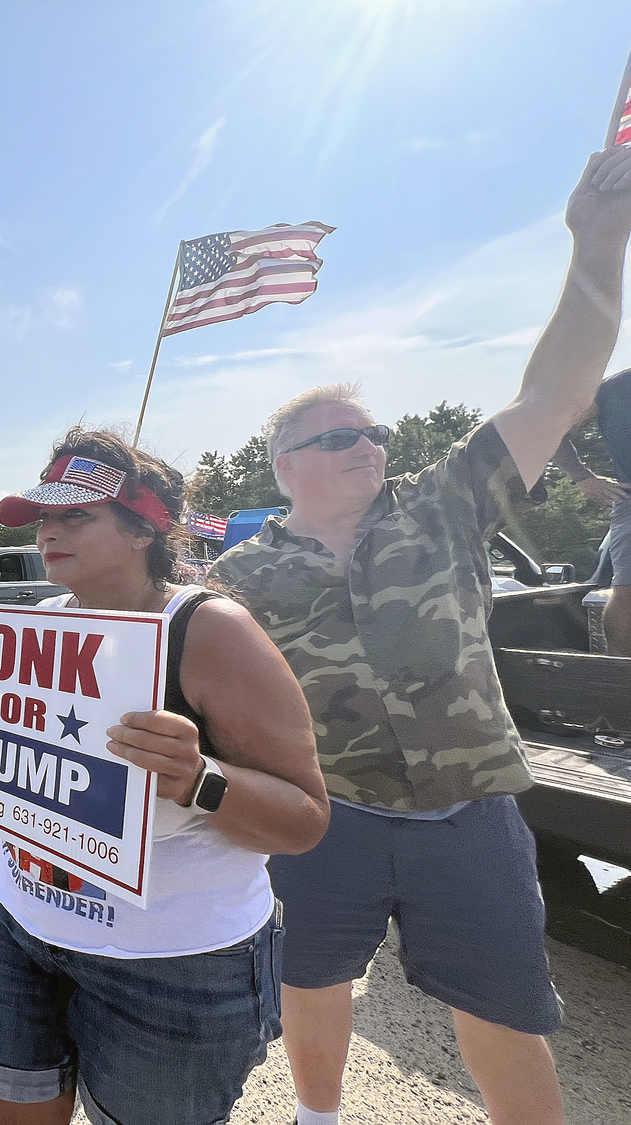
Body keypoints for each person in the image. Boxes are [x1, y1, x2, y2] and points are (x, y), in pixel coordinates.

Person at [207, 146, 631, 1125]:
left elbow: (554, 394)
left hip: (469, 811)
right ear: (284, 467)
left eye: (374, 431)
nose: (371, 443)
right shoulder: (241, 575)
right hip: (329, 816)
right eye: (339, 436)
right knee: (313, 977)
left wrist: (597, 247)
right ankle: (318, 1118)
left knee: (503, 1003)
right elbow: (170, 666)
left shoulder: (441, 505)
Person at [0, 429, 327, 1125]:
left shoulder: (209, 629)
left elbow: (307, 816)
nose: (48, 532)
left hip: (172, 963)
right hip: (20, 921)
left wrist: (197, 778)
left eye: (76, 515)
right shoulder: (46, 619)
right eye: (44, 517)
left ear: (142, 530)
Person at [551, 366, 631, 656]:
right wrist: (584, 477)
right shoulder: (612, 390)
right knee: (626, 595)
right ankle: (619, 680)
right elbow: (554, 431)